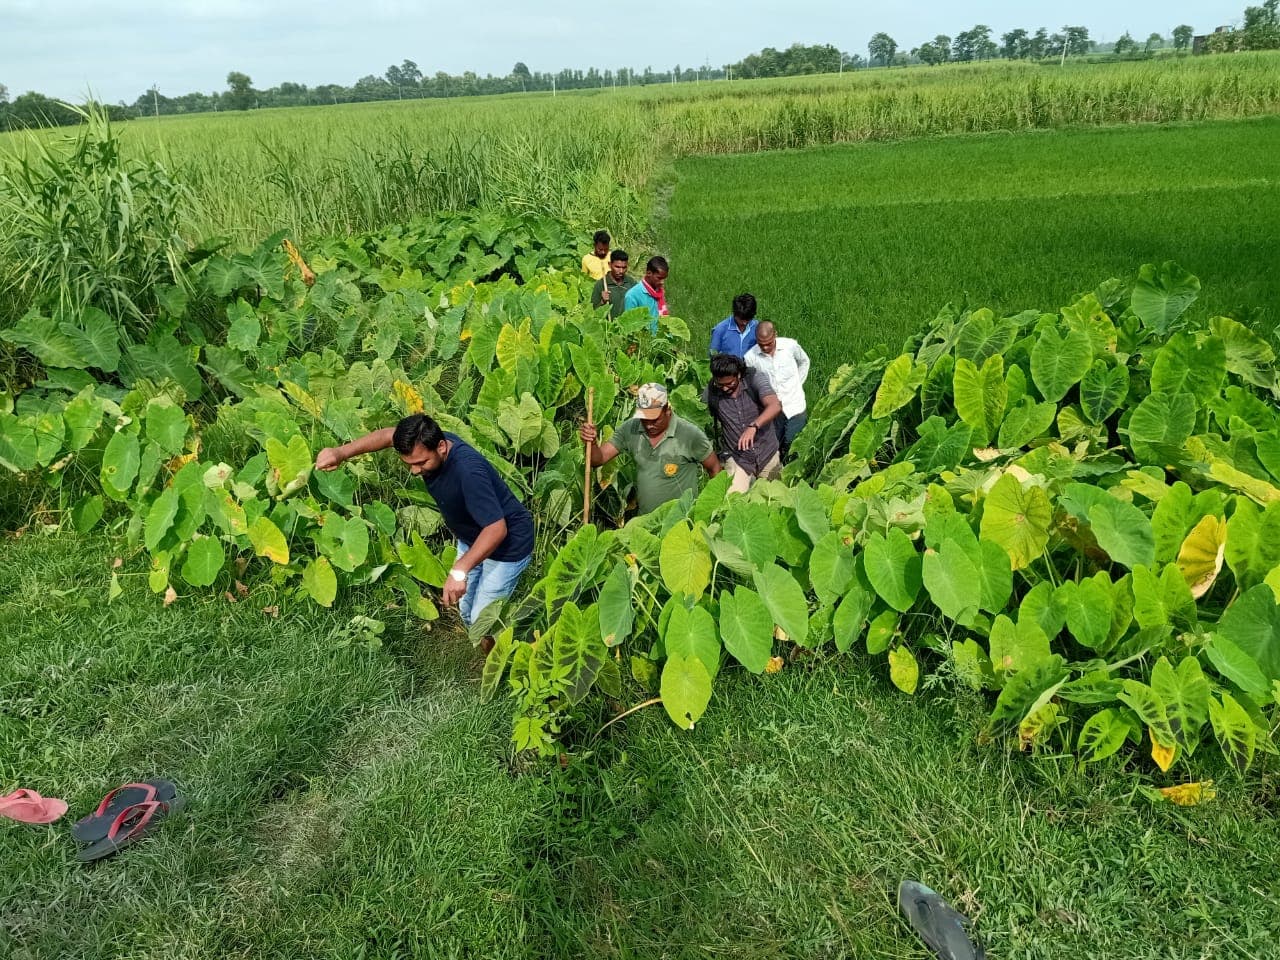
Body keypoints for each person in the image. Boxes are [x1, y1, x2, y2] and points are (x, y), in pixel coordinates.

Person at [315, 414, 534, 641]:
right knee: (468, 613)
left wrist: (460, 570)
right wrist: (341, 453)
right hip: (473, 537)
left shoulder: (468, 472)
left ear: (441, 447)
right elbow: (386, 435)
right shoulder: (424, 442)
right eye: (409, 464)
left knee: (482, 621)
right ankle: (493, 652)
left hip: (508, 546)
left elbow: (497, 529)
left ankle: (500, 668)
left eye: (421, 463)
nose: (415, 471)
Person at [579, 383, 721, 515]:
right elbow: (598, 459)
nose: (649, 425)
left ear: (667, 411)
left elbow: (715, 468)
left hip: (681, 521)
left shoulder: (690, 434)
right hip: (646, 523)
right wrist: (590, 443)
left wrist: (710, 509)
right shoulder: (631, 428)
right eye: (644, 419)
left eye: (654, 420)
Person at [705, 353, 783, 493]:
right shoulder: (712, 392)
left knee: (773, 500)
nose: (725, 388)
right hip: (737, 457)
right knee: (731, 502)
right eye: (720, 384)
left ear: (739, 375)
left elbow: (775, 405)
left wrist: (753, 426)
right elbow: (700, 414)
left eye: (730, 384)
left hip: (767, 451)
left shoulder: (755, 379)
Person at [744, 320, 810, 460]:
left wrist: (798, 383)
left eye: (769, 343)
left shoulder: (790, 346)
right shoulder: (750, 358)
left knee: (794, 443)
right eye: (761, 345)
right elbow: (751, 385)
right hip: (772, 410)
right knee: (774, 444)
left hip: (795, 405)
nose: (766, 348)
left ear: (775, 335)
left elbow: (804, 361)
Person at [622, 256, 669, 333]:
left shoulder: (659, 292)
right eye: (659, 278)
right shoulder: (632, 296)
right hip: (644, 342)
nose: (662, 282)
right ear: (649, 273)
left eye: (664, 278)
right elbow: (629, 326)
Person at [708, 293, 759, 358]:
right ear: (735, 313)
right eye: (742, 319)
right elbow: (713, 353)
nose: (745, 323)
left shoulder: (758, 328)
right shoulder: (720, 330)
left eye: (748, 319)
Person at [590, 249, 637, 319]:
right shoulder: (601, 284)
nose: (621, 271)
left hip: (627, 326)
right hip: (608, 327)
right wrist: (602, 301)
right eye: (617, 267)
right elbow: (592, 312)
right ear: (610, 265)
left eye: (624, 267)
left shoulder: (631, 283)